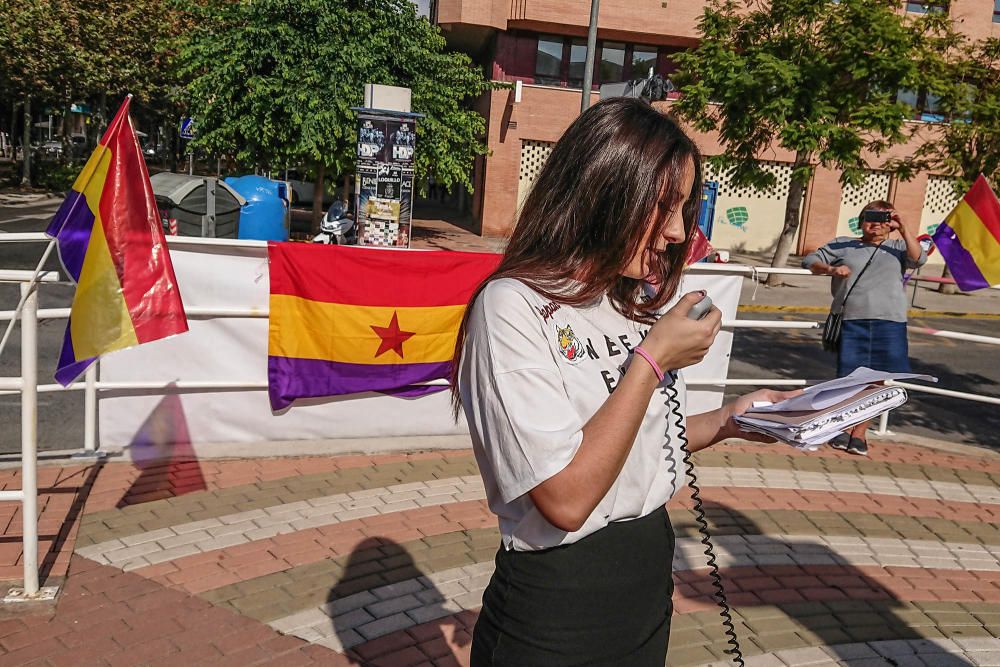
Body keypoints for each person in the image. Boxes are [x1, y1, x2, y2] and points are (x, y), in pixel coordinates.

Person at [450, 97, 798, 667]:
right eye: (662, 206)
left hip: (644, 572)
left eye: (685, 207)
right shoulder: (513, 305)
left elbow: (636, 441)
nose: (677, 231)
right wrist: (653, 359)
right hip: (559, 596)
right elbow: (565, 498)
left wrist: (734, 418)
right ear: (604, 192)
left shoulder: (626, 300)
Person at [803, 200, 926, 456]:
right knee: (848, 378)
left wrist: (903, 227)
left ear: (890, 224)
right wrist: (831, 269)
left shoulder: (898, 247)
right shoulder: (844, 244)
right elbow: (810, 260)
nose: (875, 224)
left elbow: (919, 259)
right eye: (870, 217)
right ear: (861, 220)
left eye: (883, 219)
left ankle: (859, 433)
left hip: (889, 322)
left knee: (877, 380)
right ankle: (843, 426)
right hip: (852, 319)